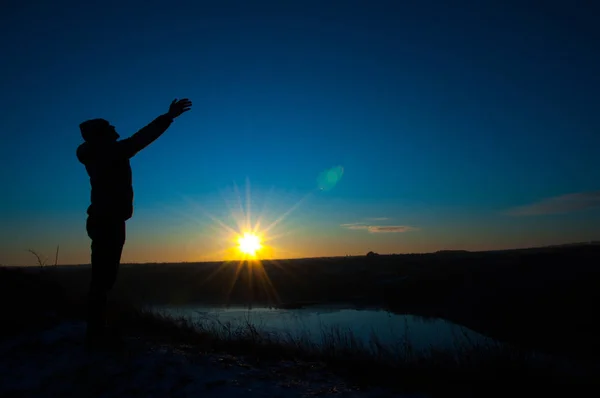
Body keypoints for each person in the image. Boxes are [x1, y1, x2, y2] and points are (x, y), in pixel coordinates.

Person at [77, 98, 192, 349]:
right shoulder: (110, 153)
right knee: (103, 279)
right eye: (109, 127)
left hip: (104, 219)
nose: (114, 128)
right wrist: (168, 116)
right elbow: (143, 137)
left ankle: (97, 331)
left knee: (103, 278)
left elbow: (138, 139)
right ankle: (96, 335)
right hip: (108, 220)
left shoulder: (100, 154)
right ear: (101, 135)